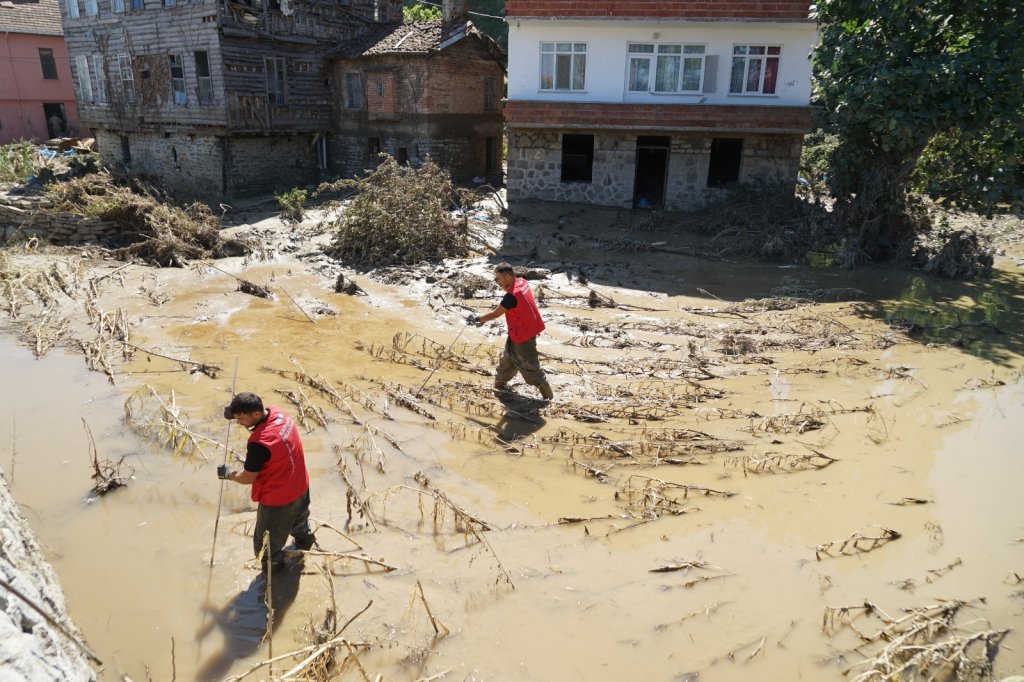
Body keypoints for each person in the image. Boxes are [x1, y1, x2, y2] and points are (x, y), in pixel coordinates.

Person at [217, 392, 315, 572]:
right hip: (301, 484)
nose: (238, 422)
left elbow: (247, 478)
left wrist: (229, 474)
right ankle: (304, 544)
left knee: (264, 548)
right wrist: (234, 412)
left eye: (240, 418)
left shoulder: (258, 444)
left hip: (278, 500)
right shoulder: (279, 414)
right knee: (300, 522)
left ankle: (275, 572)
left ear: (255, 415)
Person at [469, 262, 554, 401]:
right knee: (506, 363)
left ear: (508, 277)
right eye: (495, 279)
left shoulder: (511, 296)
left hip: (524, 336)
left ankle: (550, 400)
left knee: (532, 371)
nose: (497, 282)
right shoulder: (522, 281)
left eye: (499, 279)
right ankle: (499, 389)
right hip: (518, 332)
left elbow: (496, 314)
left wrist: (477, 319)